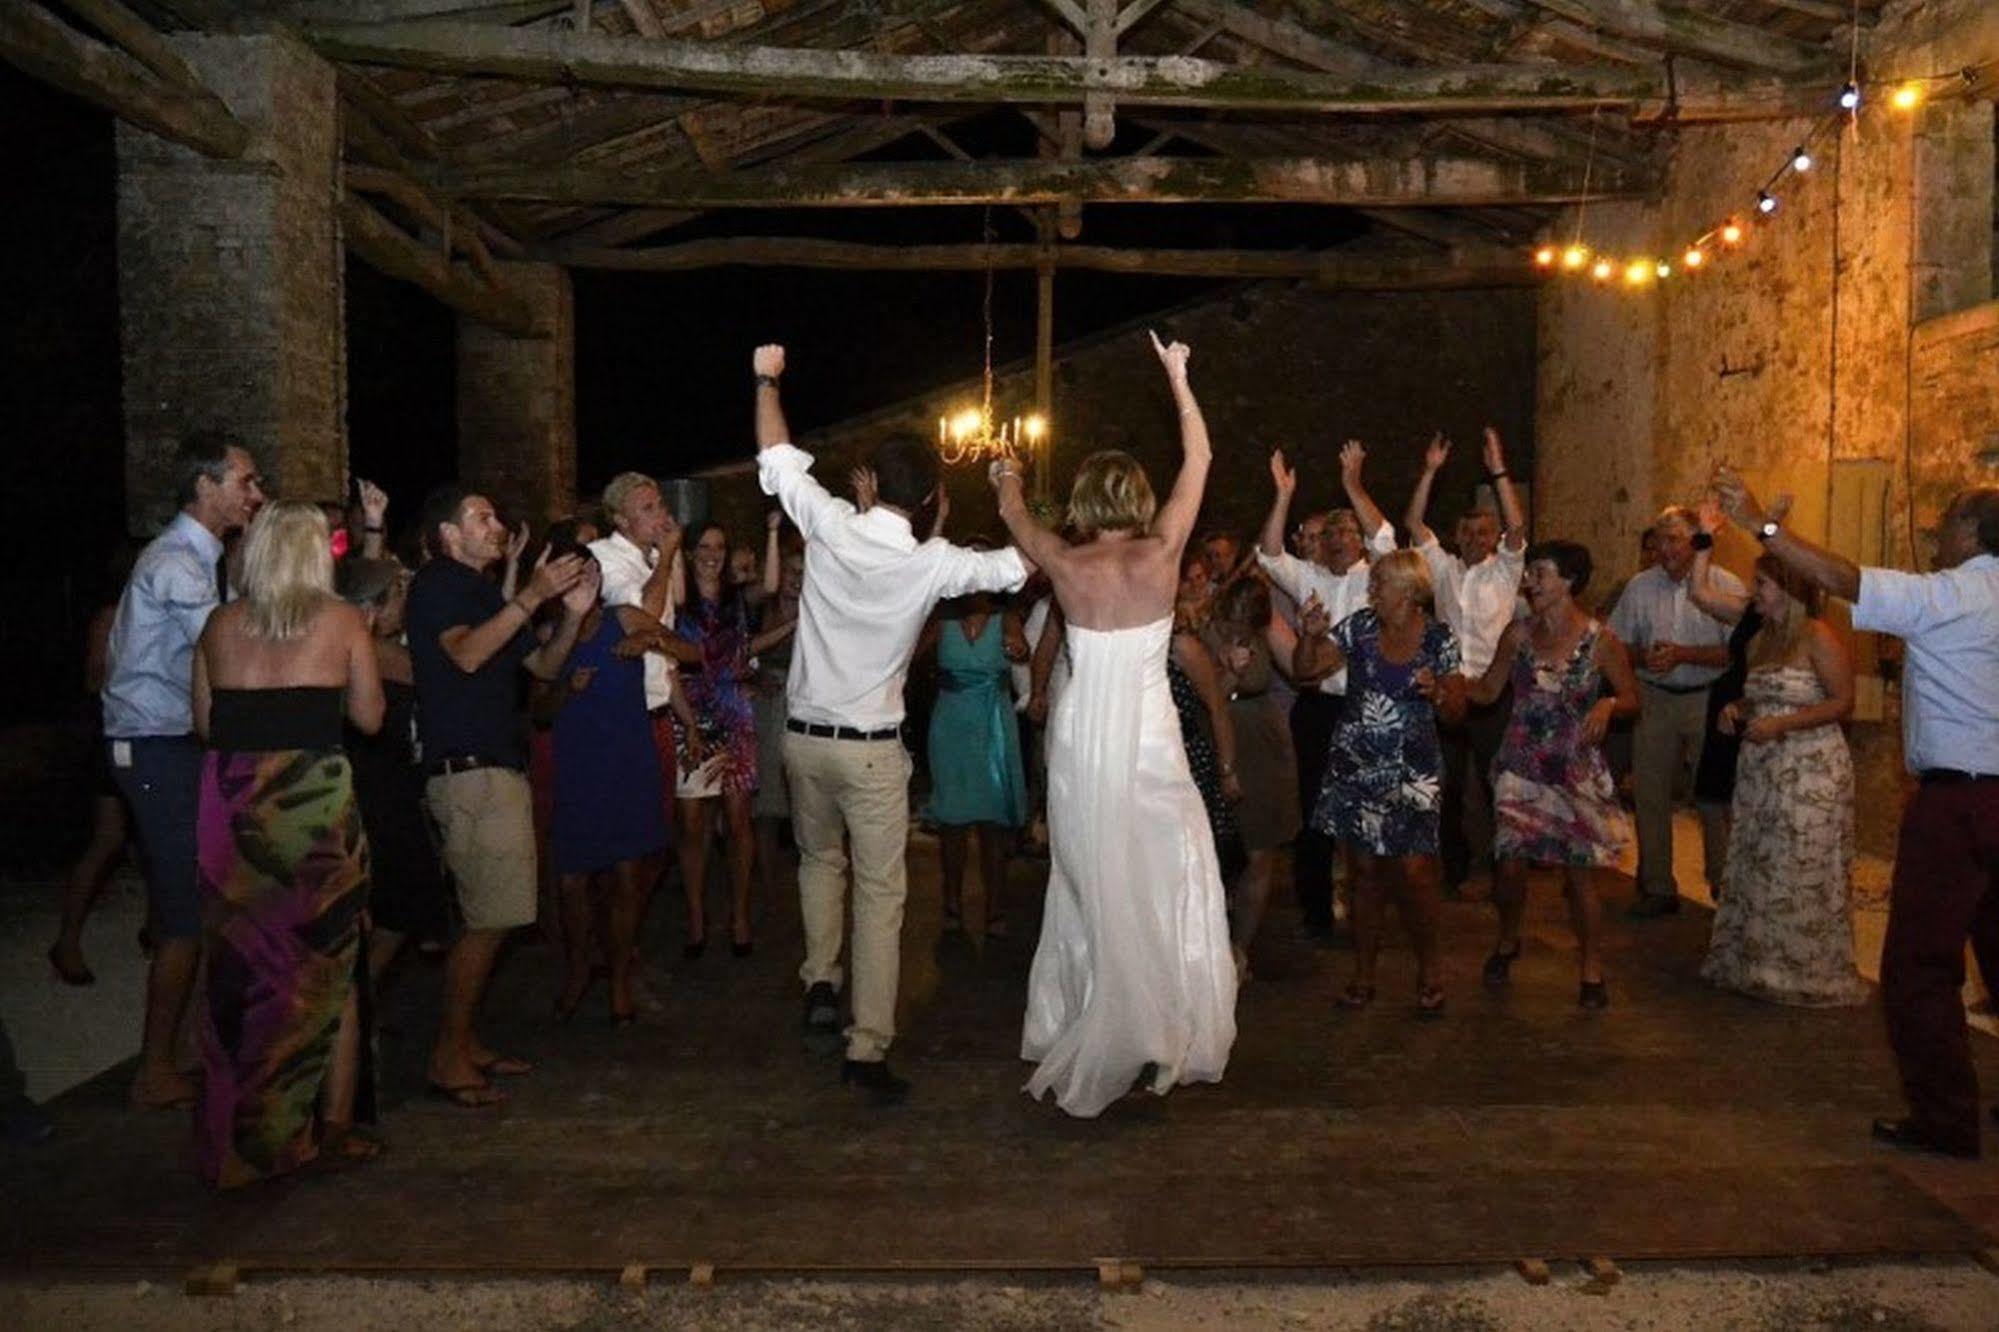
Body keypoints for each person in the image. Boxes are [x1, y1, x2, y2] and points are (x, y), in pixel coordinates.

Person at [755, 343, 1029, 1103]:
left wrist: (767, 376)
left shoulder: (833, 524)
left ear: (871, 485)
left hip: (804, 740)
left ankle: (819, 979)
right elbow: (1016, 567)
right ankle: (866, 1046)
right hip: (871, 755)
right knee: (881, 895)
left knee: (817, 862)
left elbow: (775, 458)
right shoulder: (934, 563)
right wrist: (1009, 488)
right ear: (935, 497)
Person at [1717, 468, 1999, 1158]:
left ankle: (1945, 1119)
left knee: (1918, 966)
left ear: (1971, 534)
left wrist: (1762, 527)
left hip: (1958, 800)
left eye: (1946, 523)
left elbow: (1844, 579)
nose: (1935, 534)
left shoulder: (1951, 595)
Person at [994, 330, 1236, 1119]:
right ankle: (1161, 1024)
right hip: (1145, 736)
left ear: (1083, 504)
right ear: (1133, 501)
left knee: (1088, 877)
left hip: (1080, 739)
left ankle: (1090, 1012)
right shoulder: (1163, 552)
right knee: (1166, 872)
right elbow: (1198, 460)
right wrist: (1178, 378)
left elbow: (1009, 512)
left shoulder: (1063, 564)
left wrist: (1007, 472)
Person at [190, 502, 385, 1186]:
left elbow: (205, 723)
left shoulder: (218, 625)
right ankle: (313, 1133)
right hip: (313, 811)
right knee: (322, 972)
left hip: (234, 807)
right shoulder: (341, 622)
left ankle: (234, 1145)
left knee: (238, 971)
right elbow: (369, 715)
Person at [406, 485, 592, 1108]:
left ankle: (465, 1041)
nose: (496, 524)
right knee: (491, 919)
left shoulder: (480, 592)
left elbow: (540, 668)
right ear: (448, 535)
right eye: (480, 517)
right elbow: (464, 655)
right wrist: (533, 595)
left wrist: (569, 616)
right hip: (469, 772)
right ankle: (446, 1057)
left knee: (496, 916)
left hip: (494, 767)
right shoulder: (437, 583)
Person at [101, 431, 264, 1110]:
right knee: (183, 915)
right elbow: (229, 651)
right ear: (205, 486)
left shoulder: (201, 559)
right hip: (157, 744)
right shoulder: (175, 563)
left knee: (201, 903)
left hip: (175, 742)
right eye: (245, 482)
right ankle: (153, 1070)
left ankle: (180, 1055)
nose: (255, 494)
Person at [1295, 545, 1466, 1016]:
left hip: (1414, 768)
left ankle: (1430, 969)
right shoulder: (1360, 629)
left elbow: (1457, 712)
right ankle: (1363, 974)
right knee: (1364, 874)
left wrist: (1439, 694)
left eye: (1380, 583)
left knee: (1416, 874)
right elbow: (1305, 671)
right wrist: (1309, 637)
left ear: (1410, 592)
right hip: (1357, 765)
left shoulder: (1438, 640)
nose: (1371, 590)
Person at [1470, 541, 1639, 1007]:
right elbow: (1487, 690)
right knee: (1508, 866)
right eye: (1529, 573)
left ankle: (1591, 967)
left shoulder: (1600, 640)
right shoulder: (1517, 636)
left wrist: (1607, 703)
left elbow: (1632, 697)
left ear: (1569, 581)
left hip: (1573, 766)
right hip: (1521, 764)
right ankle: (1508, 938)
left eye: (1540, 573)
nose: (1530, 582)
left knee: (1579, 875)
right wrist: (1445, 686)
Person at [1698, 554, 1866, 1008]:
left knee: (1801, 864)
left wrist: (1783, 726)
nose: (1756, 592)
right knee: (1762, 860)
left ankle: (1803, 969)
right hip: (1763, 768)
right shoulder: (1760, 641)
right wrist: (1738, 710)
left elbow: (1842, 702)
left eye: (1765, 584)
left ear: (1791, 590)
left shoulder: (1818, 636)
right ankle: (1759, 963)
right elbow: (1759, 696)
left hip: (1810, 765)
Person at [1256, 443, 1397, 941]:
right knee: (1314, 809)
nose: (1337, 540)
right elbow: (1270, 554)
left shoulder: (1376, 576)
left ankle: (1370, 908)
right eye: (1330, 533)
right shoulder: (1310, 576)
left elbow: (1385, 536)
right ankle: (1316, 911)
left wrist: (1353, 486)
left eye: (1345, 532)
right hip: (1317, 707)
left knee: (1368, 811)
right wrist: (1283, 495)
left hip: (1365, 708)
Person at [549, 542, 679, 1024]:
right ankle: (580, 968)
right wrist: (565, 689)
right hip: (580, 766)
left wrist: (651, 642)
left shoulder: (622, 617)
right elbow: (537, 708)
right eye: (572, 575)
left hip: (627, 761)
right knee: (572, 882)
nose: (584, 583)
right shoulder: (551, 632)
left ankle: (621, 977)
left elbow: (689, 649)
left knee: (627, 876)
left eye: (590, 574)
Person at [1405, 428, 1527, 900]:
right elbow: (1414, 521)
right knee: (1448, 787)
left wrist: (1498, 470)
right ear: (1457, 536)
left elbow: (1518, 529)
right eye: (1468, 532)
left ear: (1494, 537)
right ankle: (1452, 871)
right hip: (1450, 690)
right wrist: (1430, 471)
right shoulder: (1444, 569)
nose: (1476, 539)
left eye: (1484, 532)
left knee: (1500, 787)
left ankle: (1503, 872)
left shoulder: (1506, 568)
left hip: (1495, 691)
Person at [1608, 506, 1742, 917]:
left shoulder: (1723, 585)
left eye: (1674, 540)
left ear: (1695, 543)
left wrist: (1686, 654)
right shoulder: (1639, 588)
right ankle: (1658, 886)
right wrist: (1642, 657)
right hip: (1655, 697)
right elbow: (1615, 645)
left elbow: (1741, 652)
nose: (1664, 549)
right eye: (1659, 540)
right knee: (1650, 792)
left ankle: (1724, 883)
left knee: (1712, 794)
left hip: (1707, 697)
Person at [338, 557, 451, 987]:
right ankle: (353, 1008)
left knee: (388, 905)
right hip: (382, 787)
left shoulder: (350, 644)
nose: (407, 604)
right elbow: (440, 676)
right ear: (376, 607)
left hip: (376, 781)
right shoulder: (377, 652)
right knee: (399, 906)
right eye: (401, 596)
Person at [50, 543, 141, 987]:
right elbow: (93, 677)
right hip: (112, 734)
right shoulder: (112, 614)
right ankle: (67, 941)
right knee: (108, 840)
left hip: (148, 738)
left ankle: (159, 931)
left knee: (157, 844)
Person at [1202, 576, 1303, 978]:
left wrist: (1309, 637)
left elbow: (1301, 669)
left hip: (1263, 741)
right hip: (1217, 737)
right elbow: (1209, 698)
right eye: (1237, 609)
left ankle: (1240, 949)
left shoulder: (1266, 629)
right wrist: (1228, 672)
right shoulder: (1205, 632)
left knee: (1262, 850)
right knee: (1215, 849)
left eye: (1253, 610)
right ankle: (1207, 944)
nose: (1243, 618)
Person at [921, 584, 1030, 943]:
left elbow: (1021, 648)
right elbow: (907, 655)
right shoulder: (942, 619)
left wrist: (1018, 648)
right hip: (950, 726)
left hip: (992, 725)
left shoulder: (1006, 618)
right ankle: (951, 906)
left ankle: (995, 910)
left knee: (992, 824)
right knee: (951, 822)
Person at [673, 521, 763, 957]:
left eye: (720, 546)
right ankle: (694, 915)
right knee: (693, 824)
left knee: (739, 818)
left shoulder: (736, 602)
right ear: (690, 553)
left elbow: (745, 653)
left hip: (734, 713)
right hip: (690, 713)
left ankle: (740, 915)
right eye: (704, 546)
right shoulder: (678, 600)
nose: (713, 554)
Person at [751, 518, 803, 906]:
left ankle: (807, 879)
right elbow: (738, 653)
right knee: (767, 801)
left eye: (803, 573)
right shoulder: (762, 610)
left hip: (802, 705)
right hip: (766, 706)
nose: (796, 580)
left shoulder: (818, 610)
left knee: (804, 798)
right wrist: (753, 682)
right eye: (791, 572)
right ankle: (767, 884)